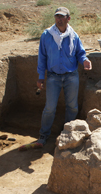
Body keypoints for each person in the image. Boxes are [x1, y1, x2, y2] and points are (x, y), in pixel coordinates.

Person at [20, 7, 92, 150]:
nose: (59, 19)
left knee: (72, 107)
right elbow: (42, 57)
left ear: (68, 19)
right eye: (57, 17)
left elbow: (80, 53)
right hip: (53, 77)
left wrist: (84, 60)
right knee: (50, 108)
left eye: (62, 17)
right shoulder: (47, 35)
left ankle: (67, 134)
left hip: (71, 75)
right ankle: (43, 136)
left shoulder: (73, 36)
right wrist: (41, 77)